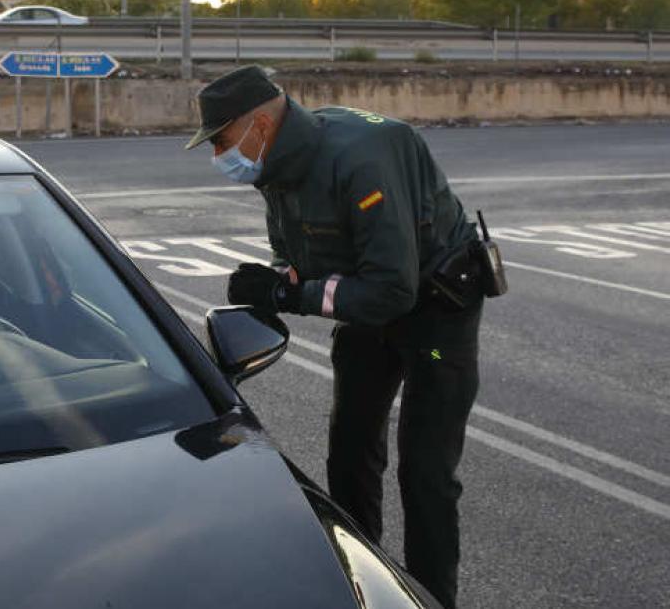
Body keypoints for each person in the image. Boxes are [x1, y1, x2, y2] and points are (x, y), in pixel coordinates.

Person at [185, 65, 486, 608]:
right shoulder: (276, 166)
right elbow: (297, 255)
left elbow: (393, 290)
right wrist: (278, 280)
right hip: (369, 311)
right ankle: (360, 590)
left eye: (222, 140)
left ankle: (432, 600)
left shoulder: (360, 156)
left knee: (425, 472)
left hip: (435, 321)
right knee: (349, 454)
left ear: (257, 123)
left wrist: (288, 297)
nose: (218, 156)